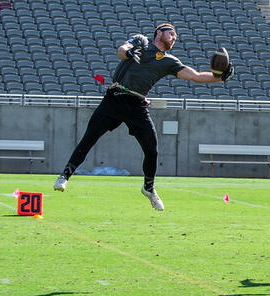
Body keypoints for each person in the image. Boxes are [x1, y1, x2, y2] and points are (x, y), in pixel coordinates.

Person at [53, 23, 234, 211]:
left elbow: (195, 76)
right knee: (89, 138)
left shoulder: (169, 61)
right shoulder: (141, 42)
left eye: (176, 36)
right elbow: (122, 50)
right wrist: (129, 53)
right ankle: (65, 176)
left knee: (152, 149)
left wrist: (220, 78)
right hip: (115, 98)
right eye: (171, 34)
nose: (174, 38)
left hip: (137, 104)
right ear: (159, 32)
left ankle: (148, 188)